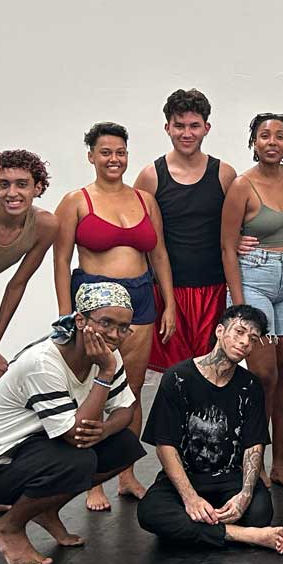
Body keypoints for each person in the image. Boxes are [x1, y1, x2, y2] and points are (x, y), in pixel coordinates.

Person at [0, 282, 143, 564]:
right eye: (106, 322)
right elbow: (75, 437)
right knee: (78, 458)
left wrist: (105, 430)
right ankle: (8, 526)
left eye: (123, 328)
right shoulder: (44, 362)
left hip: (37, 449)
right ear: (81, 320)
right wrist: (105, 373)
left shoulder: (107, 354)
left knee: (124, 446)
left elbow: (126, 409)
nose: (114, 335)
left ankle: (46, 509)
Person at [53, 122, 176, 511]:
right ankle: (92, 481)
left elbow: (158, 255)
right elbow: (60, 259)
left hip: (140, 298)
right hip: (93, 302)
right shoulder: (76, 201)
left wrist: (168, 302)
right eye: (105, 152)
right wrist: (65, 311)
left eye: (120, 152)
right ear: (91, 155)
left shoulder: (144, 201)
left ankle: (124, 474)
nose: (114, 159)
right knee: (95, 391)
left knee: (132, 390)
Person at [136, 305, 283, 554]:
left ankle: (206, 530)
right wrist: (190, 498)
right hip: (187, 477)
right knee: (150, 512)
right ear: (219, 330)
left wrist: (245, 496)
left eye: (252, 338)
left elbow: (253, 446)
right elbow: (165, 446)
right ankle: (242, 535)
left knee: (260, 511)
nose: (244, 342)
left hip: (231, 479)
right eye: (239, 332)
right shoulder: (177, 378)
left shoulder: (250, 385)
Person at [221, 113, 283, 492]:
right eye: (264, 135)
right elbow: (227, 247)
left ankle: (279, 464)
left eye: (280, 136)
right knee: (265, 375)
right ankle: (251, 461)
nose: (272, 141)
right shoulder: (243, 185)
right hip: (254, 277)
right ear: (253, 142)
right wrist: (240, 309)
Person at [133, 88, 237, 372]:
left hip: (215, 290)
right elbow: (136, 235)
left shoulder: (225, 174)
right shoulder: (151, 176)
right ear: (167, 127)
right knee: (174, 377)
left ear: (207, 128)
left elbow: (247, 219)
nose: (186, 133)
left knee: (214, 372)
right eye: (179, 126)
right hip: (169, 292)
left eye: (194, 126)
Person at [0, 150, 58, 404]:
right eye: (4, 184)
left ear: (38, 188)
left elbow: (17, 285)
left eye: (22, 184)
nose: (12, 193)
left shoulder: (45, 226)